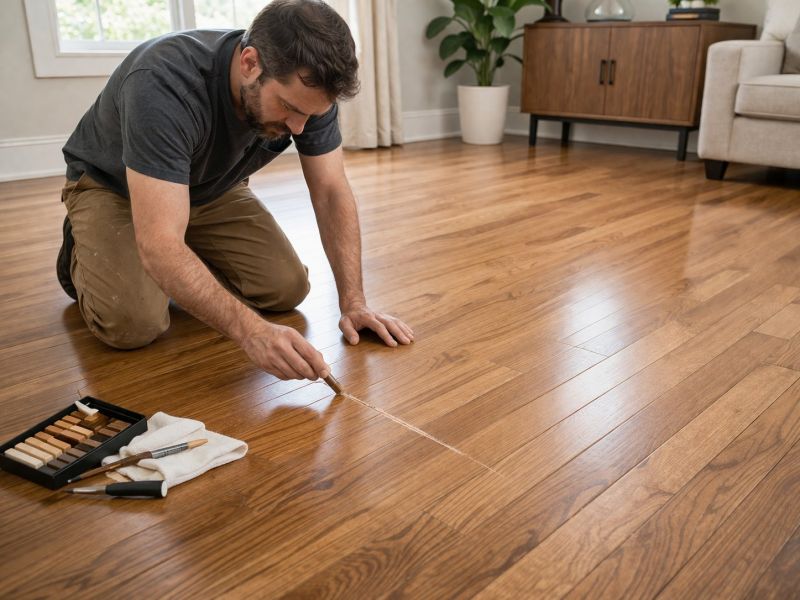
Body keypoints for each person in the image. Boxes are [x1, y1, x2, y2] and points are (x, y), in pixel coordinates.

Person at [56, 0, 413, 382]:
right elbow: (159, 245)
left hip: (212, 186)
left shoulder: (309, 93)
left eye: (309, 115)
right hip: (115, 187)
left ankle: (180, 251)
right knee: (134, 324)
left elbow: (330, 191)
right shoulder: (161, 81)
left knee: (286, 289)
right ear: (249, 63)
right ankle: (84, 253)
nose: (298, 128)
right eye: (289, 108)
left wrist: (354, 303)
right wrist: (250, 331)